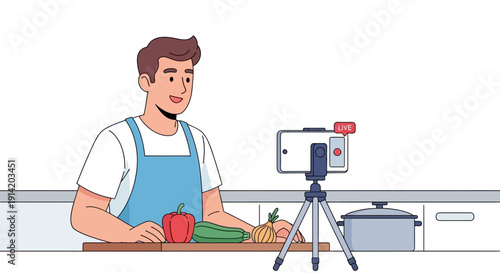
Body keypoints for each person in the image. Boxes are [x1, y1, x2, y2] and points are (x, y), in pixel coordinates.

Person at [71, 36, 304, 243]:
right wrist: (127, 235)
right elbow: (83, 214)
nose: (182, 88)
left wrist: (260, 233)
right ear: (146, 82)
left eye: (188, 78)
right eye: (171, 77)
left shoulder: (197, 139)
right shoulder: (117, 139)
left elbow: (212, 215)